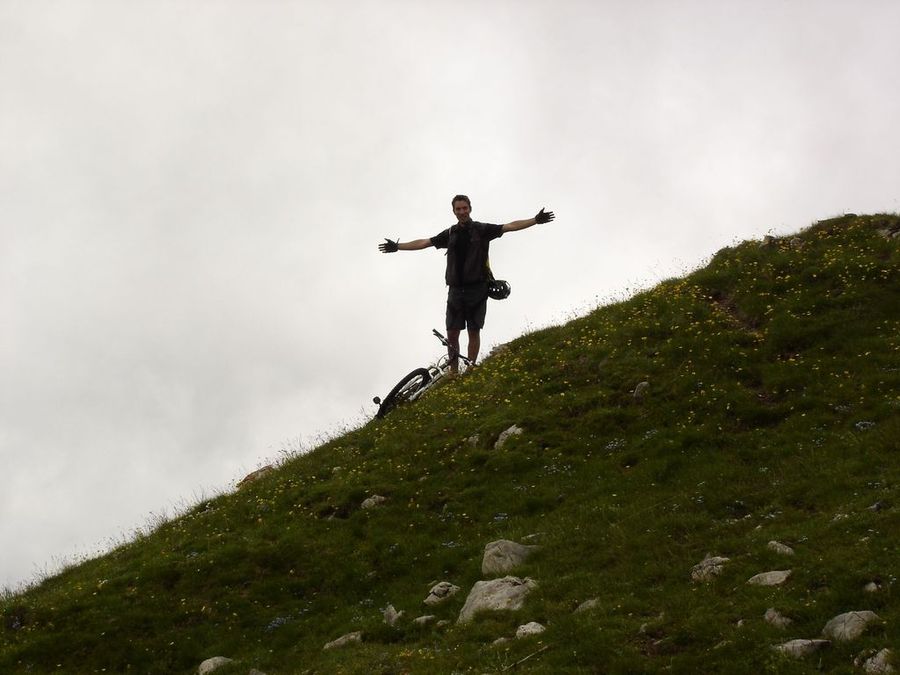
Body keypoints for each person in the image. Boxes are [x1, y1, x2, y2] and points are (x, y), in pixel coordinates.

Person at [378, 194, 555, 371]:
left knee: (473, 331)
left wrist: (535, 220)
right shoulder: (450, 233)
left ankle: (470, 369)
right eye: (458, 209)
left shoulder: (482, 229)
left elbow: (509, 226)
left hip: (478, 288)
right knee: (452, 333)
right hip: (455, 290)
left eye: (465, 208)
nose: (462, 212)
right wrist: (398, 247)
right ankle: (453, 372)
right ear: (454, 211)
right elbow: (425, 242)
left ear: (470, 208)